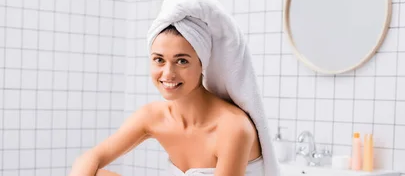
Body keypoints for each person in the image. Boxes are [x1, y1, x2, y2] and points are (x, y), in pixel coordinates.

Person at [69, 25, 265, 176]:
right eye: (159, 60)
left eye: (182, 61)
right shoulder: (153, 116)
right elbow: (89, 158)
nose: (168, 73)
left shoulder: (233, 128)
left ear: (202, 63)